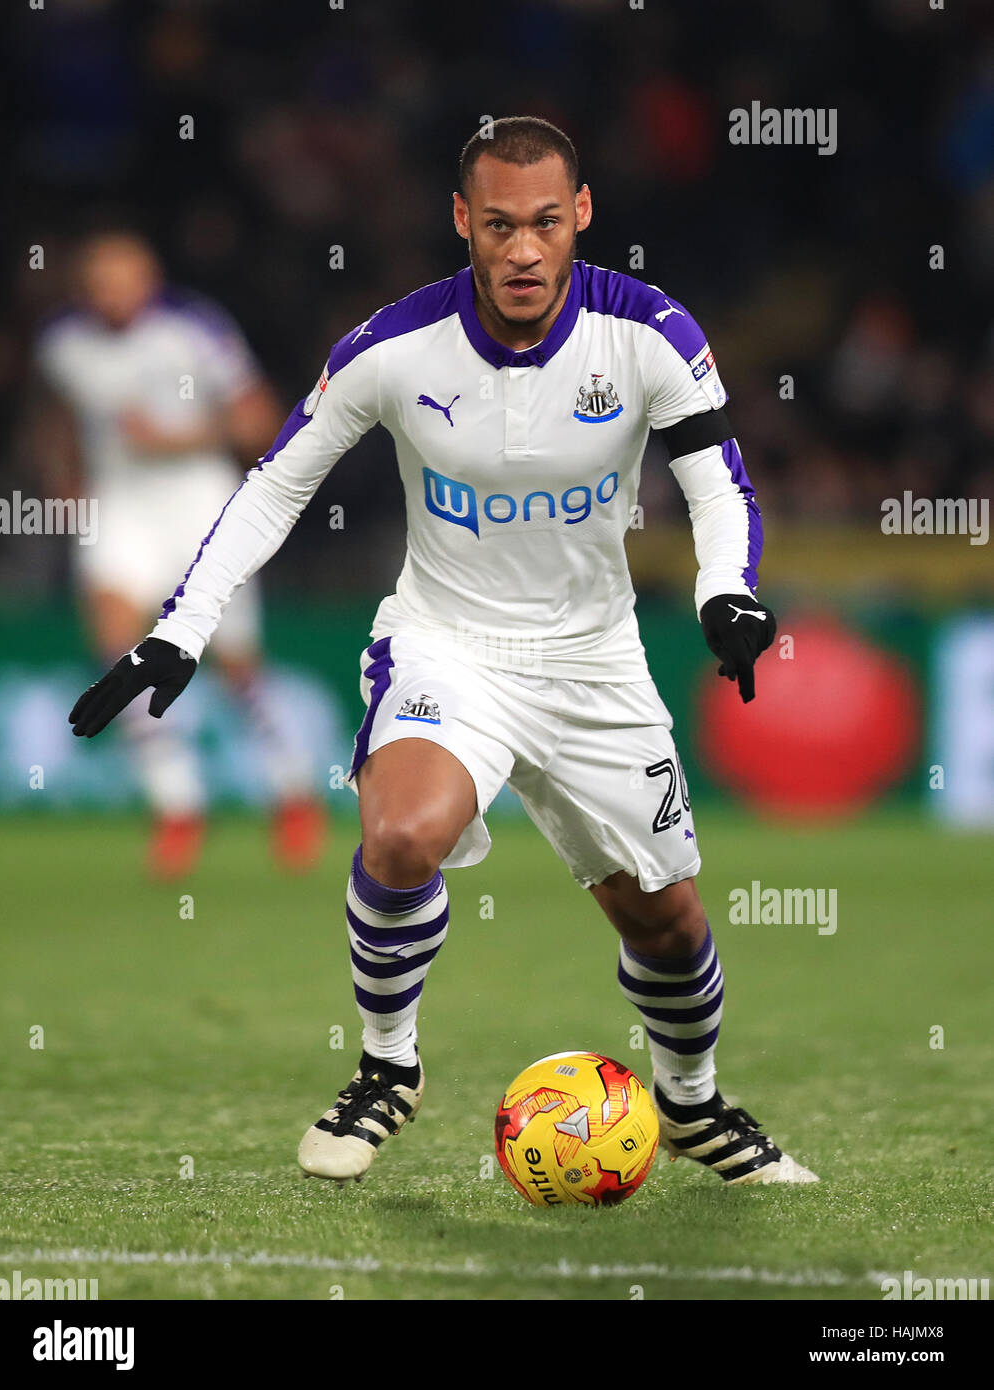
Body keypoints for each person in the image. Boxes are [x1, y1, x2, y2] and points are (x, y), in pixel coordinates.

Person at [69, 120, 817, 1185]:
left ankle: (692, 1106)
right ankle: (387, 1068)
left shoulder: (649, 332)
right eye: (500, 224)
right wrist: (180, 627)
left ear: (582, 216)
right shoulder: (392, 346)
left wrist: (726, 590)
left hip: (595, 661)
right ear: (463, 221)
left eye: (546, 224)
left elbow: (714, 477)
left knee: (665, 917)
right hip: (446, 644)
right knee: (403, 833)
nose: (523, 250)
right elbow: (278, 480)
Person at [38, 231, 328, 878]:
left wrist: (176, 439)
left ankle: (294, 791)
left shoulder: (193, 329)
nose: (115, 294)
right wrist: (64, 477)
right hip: (120, 507)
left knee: (234, 667)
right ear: (85, 288)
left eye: (127, 279)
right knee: (117, 650)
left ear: (150, 279)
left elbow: (258, 421)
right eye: (101, 282)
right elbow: (58, 414)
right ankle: (177, 806)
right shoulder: (62, 342)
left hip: (199, 503)